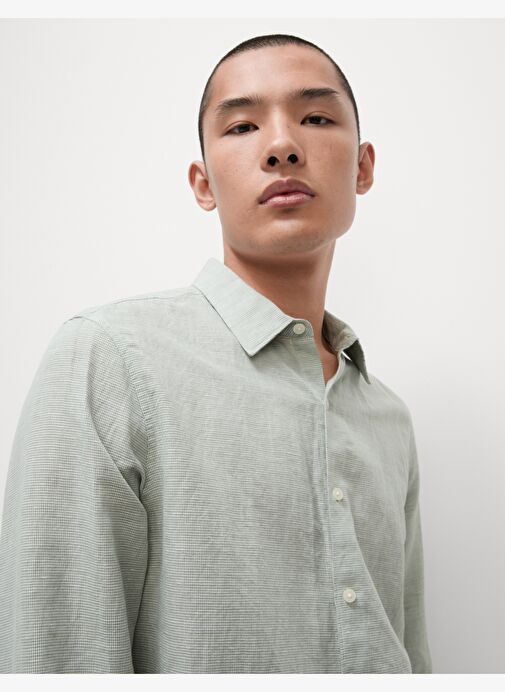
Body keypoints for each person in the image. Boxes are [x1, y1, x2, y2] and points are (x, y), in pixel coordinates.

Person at [0, 32, 433, 674]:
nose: (282, 145)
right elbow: (54, 655)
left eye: (316, 118)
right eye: (242, 126)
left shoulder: (387, 417)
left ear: (363, 168)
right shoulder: (108, 358)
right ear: (203, 184)